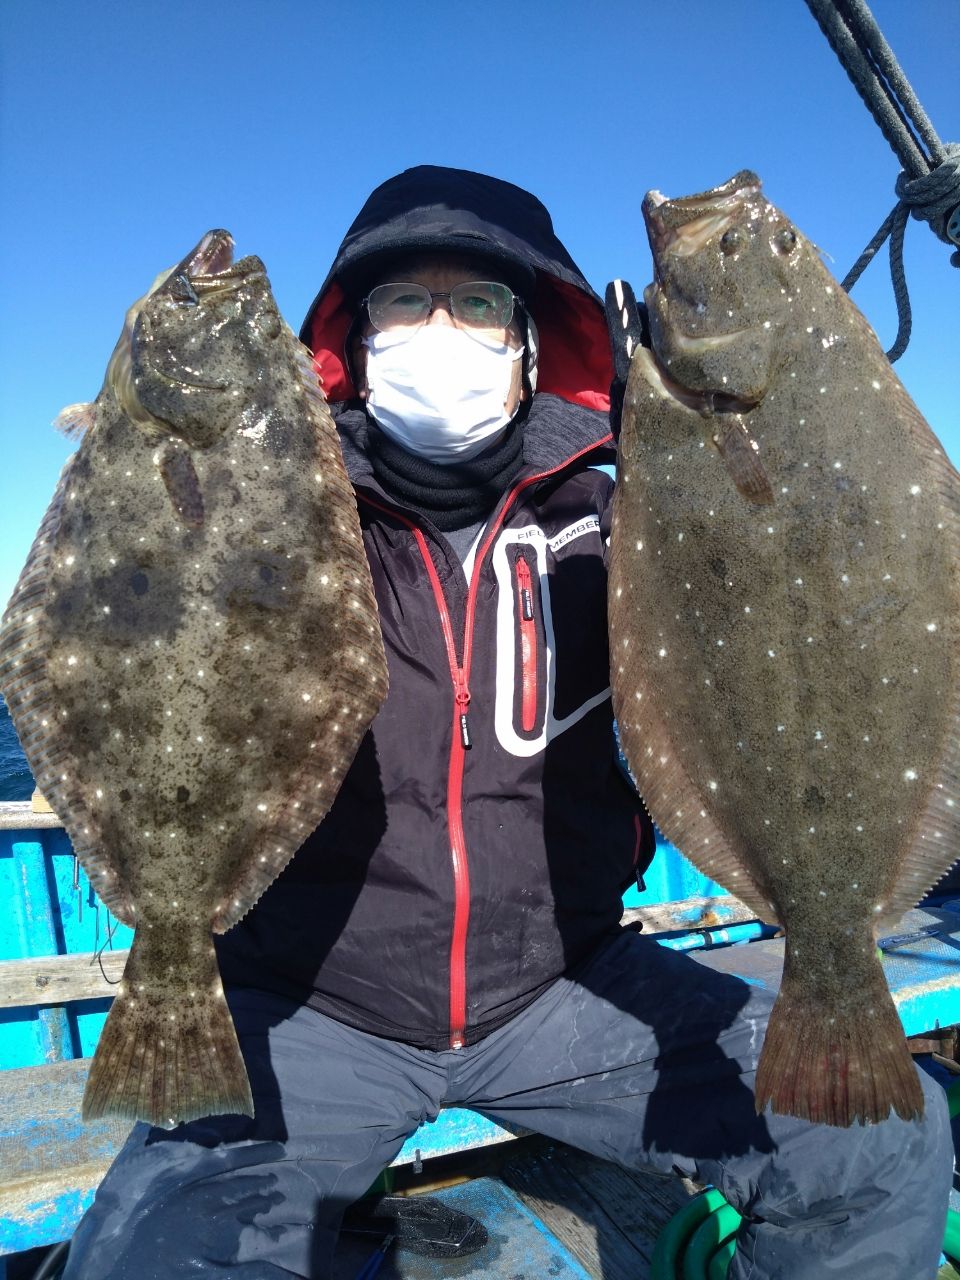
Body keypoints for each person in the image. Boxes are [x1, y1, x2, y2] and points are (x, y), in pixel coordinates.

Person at [62, 166, 952, 1280]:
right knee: (153, 1252)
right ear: (353, 335)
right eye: (403, 300)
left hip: (565, 993)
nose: (441, 326)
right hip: (319, 1004)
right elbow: (145, 627)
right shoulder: (277, 510)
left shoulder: (627, 522)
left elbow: (813, 606)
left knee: (885, 1143)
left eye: (480, 303)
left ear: (535, 343)